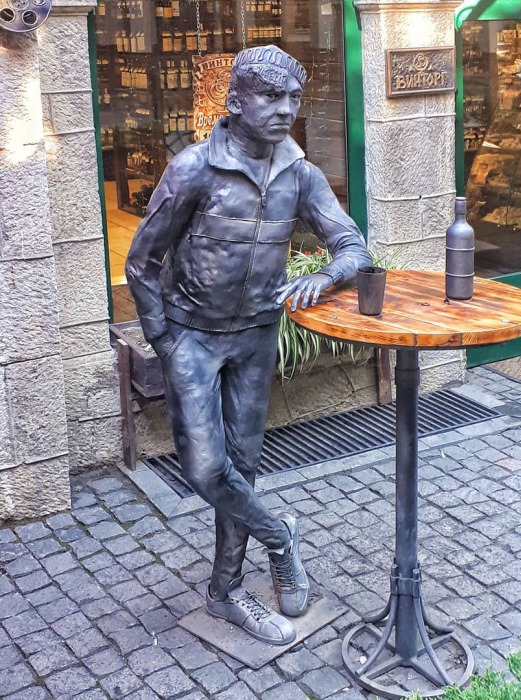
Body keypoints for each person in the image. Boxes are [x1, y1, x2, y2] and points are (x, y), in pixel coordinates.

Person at [125, 45, 372, 645]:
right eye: (270, 96)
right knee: (206, 468)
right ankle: (280, 536)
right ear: (235, 102)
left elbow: (353, 245)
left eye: (294, 98)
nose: (285, 109)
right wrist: (163, 340)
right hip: (191, 336)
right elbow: (141, 262)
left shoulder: (300, 174)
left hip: (258, 336)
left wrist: (327, 275)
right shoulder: (193, 169)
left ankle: (225, 591)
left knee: (243, 468)